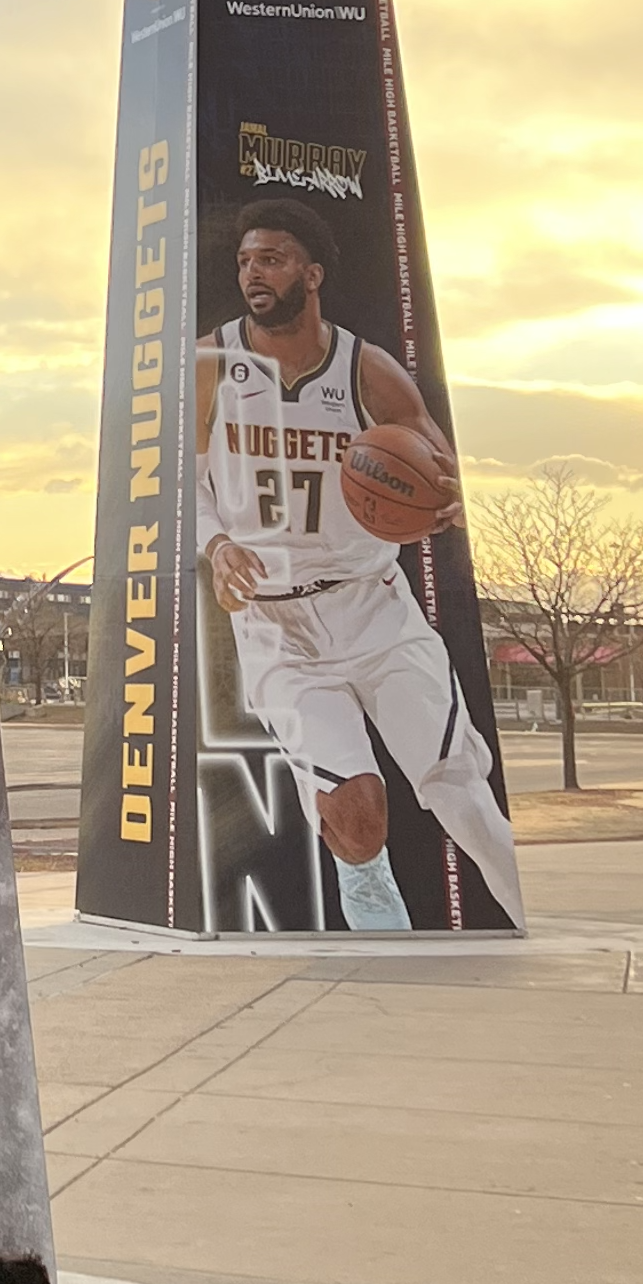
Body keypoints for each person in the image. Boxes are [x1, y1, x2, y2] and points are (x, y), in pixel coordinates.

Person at [198, 196, 525, 931]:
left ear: (311, 276)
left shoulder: (366, 369)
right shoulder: (210, 364)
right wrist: (216, 546)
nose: (254, 271)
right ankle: (382, 955)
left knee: (460, 791)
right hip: (276, 624)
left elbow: (439, 471)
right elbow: (177, 482)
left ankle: (529, 922)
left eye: (272, 259)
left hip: (373, 605)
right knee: (355, 815)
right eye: (246, 260)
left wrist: (445, 497)